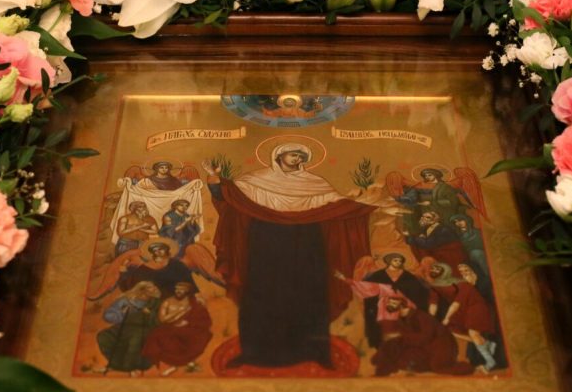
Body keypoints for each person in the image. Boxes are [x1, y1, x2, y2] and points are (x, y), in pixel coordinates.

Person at [205, 142, 374, 368]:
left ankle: (315, 353)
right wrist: (215, 180)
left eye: (300, 156)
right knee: (261, 294)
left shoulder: (314, 183)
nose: (297, 158)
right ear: (279, 156)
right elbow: (231, 198)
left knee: (309, 294)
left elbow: (337, 208)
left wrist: (369, 206)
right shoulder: (256, 181)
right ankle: (254, 353)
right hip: (266, 243)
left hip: (306, 243)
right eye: (292, 154)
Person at [371, 295, 474, 377]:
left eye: (393, 303)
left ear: (402, 304)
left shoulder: (420, 316)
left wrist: (401, 337)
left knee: (438, 368)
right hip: (422, 347)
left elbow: (426, 337)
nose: (389, 305)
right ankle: (381, 368)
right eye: (389, 302)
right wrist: (397, 339)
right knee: (395, 349)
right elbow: (406, 338)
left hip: (439, 349)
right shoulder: (400, 320)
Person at [141, 282, 213, 376]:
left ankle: (187, 362)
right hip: (170, 327)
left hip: (188, 328)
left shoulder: (194, 302)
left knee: (197, 336)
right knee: (157, 335)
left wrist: (189, 322)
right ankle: (168, 365)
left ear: (187, 291)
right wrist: (181, 312)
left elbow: (203, 318)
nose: (178, 291)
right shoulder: (168, 302)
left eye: (181, 289)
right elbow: (163, 319)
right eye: (176, 289)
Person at [361, 253, 430, 349]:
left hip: (401, 306)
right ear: (389, 261)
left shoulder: (407, 275)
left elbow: (419, 290)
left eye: (400, 261)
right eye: (395, 260)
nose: (398, 262)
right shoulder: (378, 275)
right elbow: (368, 288)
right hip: (382, 308)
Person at [96, 281, 161, 376]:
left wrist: (149, 314)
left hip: (143, 328)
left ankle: (131, 367)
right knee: (104, 336)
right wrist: (122, 314)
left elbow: (159, 319)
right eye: (150, 288)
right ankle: (116, 365)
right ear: (142, 290)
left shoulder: (155, 302)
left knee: (135, 340)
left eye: (154, 288)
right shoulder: (126, 300)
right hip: (125, 326)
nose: (154, 289)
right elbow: (108, 315)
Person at [395, 168, 475, 236]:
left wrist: (433, 202)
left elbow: (452, 201)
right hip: (424, 208)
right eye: (425, 176)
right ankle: (413, 231)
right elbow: (412, 194)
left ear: (436, 175)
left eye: (429, 175)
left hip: (441, 209)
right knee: (409, 208)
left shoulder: (445, 186)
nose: (427, 177)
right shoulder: (421, 185)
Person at [119, 240, 195, 299]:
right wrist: (124, 273)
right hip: (155, 298)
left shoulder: (177, 264)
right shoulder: (145, 267)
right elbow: (135, 283)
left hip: (176, 296)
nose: (158, 251)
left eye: (161, 249)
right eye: (155, 250)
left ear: (167, 250)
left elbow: (189, 280)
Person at [403, 210, 468, 268]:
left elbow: (428, 244)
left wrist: (410, 237)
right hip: (437, 251)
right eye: (423, 216)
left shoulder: (443, 229)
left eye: (428, 217)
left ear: (435, 219)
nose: (423, 218)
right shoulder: (428, 228)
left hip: (449, 255)